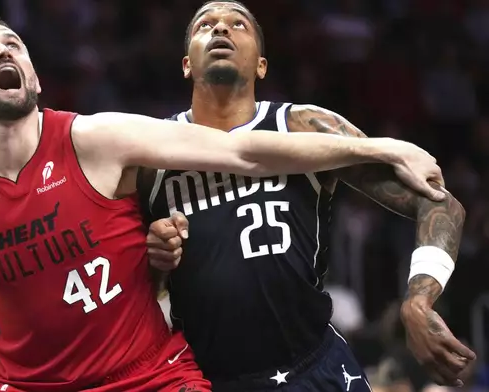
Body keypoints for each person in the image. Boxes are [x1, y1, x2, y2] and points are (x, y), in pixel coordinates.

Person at [0, 15, 445, 392]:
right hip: (33, 382)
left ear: (34, 77)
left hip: (153, 376)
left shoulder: (99, 139)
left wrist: (377, 145)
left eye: (13, 43)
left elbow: (242, 150)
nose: (5, 50)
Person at [141, 1, 476, 391]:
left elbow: (440, 203)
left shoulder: (303, 126)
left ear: (262, 65)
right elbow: (121, 281)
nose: (220, 30)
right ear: (186, 64)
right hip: (207, 379)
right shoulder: (150, 153)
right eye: (205, 25)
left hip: (314, 369)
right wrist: (153, 260)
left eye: (238, 24)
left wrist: (419, 299)